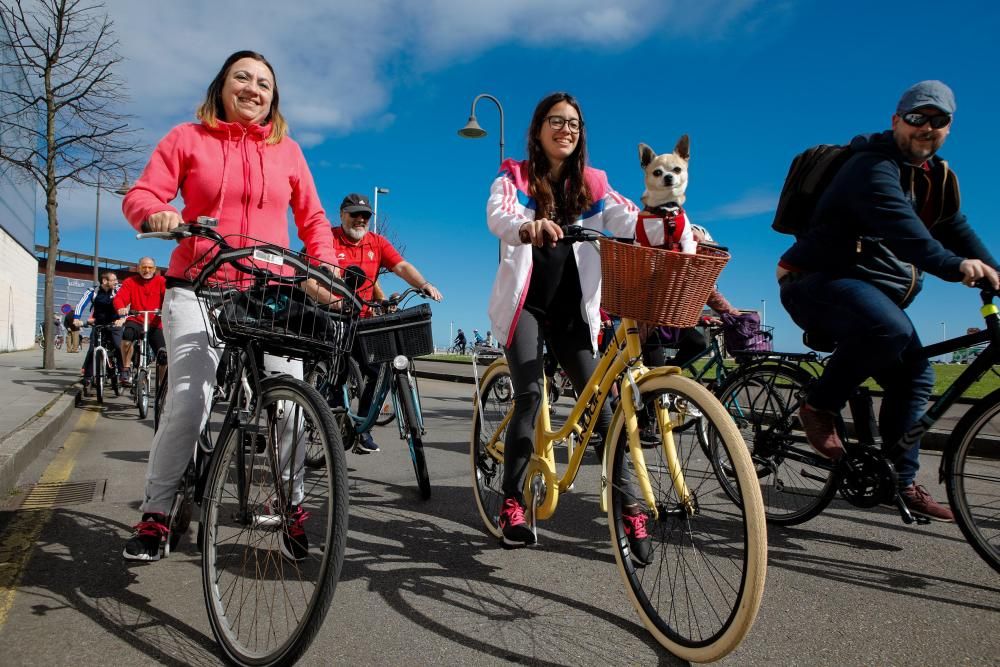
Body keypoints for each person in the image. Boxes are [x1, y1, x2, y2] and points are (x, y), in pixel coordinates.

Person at [119, 50, 340, 562]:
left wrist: (323, 264)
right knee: (191, 399)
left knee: (290, 405)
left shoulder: (288, 151)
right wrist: (159, 214)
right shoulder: (187, 139)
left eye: (264, 83)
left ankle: (291, 505)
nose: (253, 88)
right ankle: (156, 513)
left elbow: (313, 219)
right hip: (197, 287)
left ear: (273, 98)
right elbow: (142, 193)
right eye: (243, 77)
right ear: (222, 86)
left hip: (268, 292)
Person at [777, 80, 999, 522]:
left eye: (938, 121)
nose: (926, 127)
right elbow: (908, 234)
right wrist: (956, 267)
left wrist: (995, 272)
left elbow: (955, 227)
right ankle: (818, 405)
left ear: (949, 128)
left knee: (916, 376)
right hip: (814, 280)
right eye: (917, 117)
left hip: (868, 290)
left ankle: (899, 480)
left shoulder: (938, 178)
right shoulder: (870, 168)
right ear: (897, 120)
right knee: (889, 329)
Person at [486, 92, 654, 561]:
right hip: (527, 308)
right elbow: (498, 214)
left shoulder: (593, 182)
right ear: (538, 128)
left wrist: (677, 228)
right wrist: (527, 227)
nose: (566, 129)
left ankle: (628, 507)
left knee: (603, 410)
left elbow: (630, 218)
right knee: (529, 395)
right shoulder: (514, 174)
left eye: (574, 124)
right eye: (556, 121)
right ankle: (513, 504)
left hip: (572, 314)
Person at [330, 192, 443, 454]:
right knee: (337, 370)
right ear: (342, 215)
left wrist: (423, 284)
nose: (360, 220)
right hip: (334, 315)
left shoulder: (376, 243)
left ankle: (363, 430)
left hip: (364, 319)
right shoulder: (330, 238)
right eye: (354, 214)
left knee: (377, 371)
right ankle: (333, 420)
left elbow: (401, 266)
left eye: (365, 216)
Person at [114, 257, 166, 385]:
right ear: (138, 268)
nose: (146, 270)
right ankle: (125, 369)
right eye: (143, 267)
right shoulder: (130, 281)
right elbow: (120, 297)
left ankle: (162, 385)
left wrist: (167, 309)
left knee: (163, 355)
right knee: (126, 338)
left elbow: (168, 298)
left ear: (155, 269)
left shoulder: (161, 281)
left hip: (155, 322)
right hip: (136, 319)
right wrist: (121, 307)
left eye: (149, 267)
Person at [74, 270, 125, 386]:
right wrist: (76, 318)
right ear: (104, 281)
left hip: (114, 323)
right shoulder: (93, 291)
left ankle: (123, 372)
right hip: (98, 323)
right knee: (93, 348)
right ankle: (87, 377)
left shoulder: (118, 290)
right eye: (113, 280)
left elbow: (125, 303)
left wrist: (122, 319)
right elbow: (81, 304)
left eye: (116, 280)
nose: (116, 282)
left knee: (117, 346)